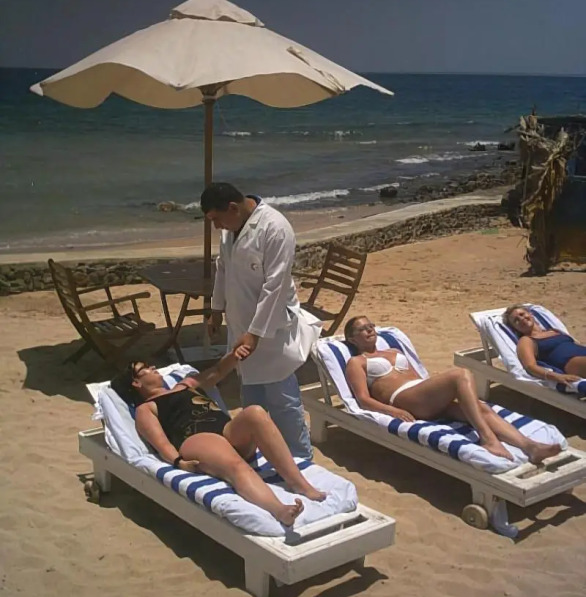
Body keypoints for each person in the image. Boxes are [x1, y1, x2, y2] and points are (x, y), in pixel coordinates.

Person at [111, 352, 325, 527]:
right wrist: (178, 462)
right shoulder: (146, 409)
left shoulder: (185, 385)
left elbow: (217, 371)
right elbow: (161, 443)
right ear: (136, 382)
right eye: (144, 369)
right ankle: (280, 510)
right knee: (236, 465)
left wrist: (235, 354)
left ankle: (300, 484)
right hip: (196, 437)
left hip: (226, 429)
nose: (153, 367)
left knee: (256, 412)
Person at [200, 182, 319, 460]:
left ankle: (301, 455)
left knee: (282, 397)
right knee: (251, 397)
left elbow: (275, 286)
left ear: (232, 208)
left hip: (271, 327)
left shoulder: (275, 228)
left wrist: (255, 333)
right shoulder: (230, 229)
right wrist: (216, 310)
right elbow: (223, 269)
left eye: (216, 219)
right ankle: (257, 454)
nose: (216, 226)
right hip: (240, 323)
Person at [343, 316, 561, 464]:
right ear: (352, 339)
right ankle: (488, 439)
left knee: (481, 408)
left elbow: (418, 378)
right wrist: (393, 411)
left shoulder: (393, 350)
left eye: (371, 326)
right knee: (460, 374)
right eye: (362, 329)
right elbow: (362, 399)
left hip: (423, 395)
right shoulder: (357, 361)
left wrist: (439, 394)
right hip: (403, 399)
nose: (369, 330)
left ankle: (530, 447)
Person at [502, 304, 586, 382]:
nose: (521, 319)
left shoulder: (554, 330)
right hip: (571, 362)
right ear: (515, 328)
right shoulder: (526, 340)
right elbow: (530, 366)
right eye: (516, 320)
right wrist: (557, 376)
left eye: (522, 314)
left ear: (530, 314)